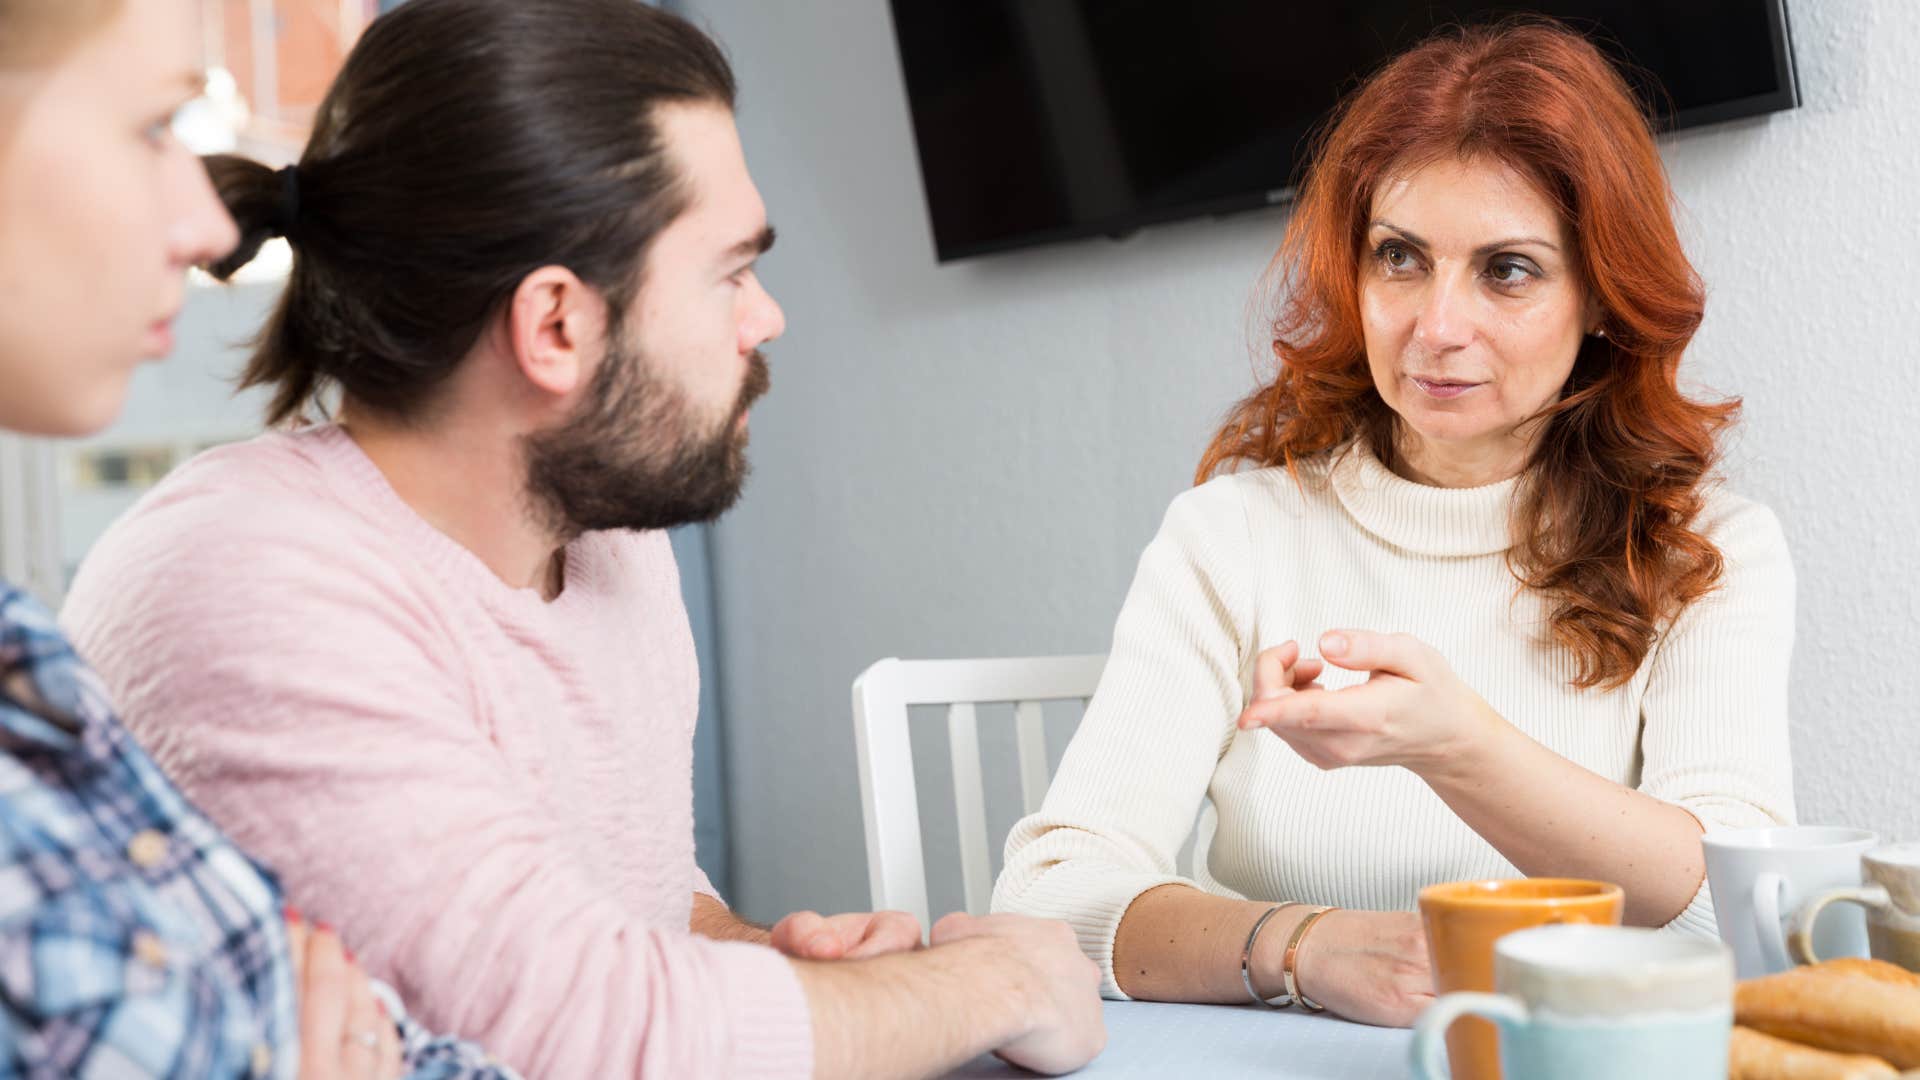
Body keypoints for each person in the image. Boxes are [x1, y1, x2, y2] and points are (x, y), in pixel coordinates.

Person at [60, 1, 1105, 1077]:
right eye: (732, 271)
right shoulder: (249, 581)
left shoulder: (606, 539)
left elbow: (631, 909)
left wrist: (778, 964)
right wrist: (1001, 981)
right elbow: (592, 1038)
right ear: (556, 324)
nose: (766, 319)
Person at [993, 18, 1794, 1028]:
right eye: (1400, 258)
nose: (1436, 326)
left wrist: (1456, 745)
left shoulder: (1705, 548)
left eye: (1507, 270)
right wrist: (1304, 947)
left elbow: (1740, 916)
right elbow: (1048, 898)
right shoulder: (1230, 536)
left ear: (1600, 297)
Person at [0, 0, 520, 1075]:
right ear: (552, 318)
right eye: (153, 130)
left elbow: (347, 1021)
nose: (205, 226)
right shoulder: (243, 566)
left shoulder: (25, 658)